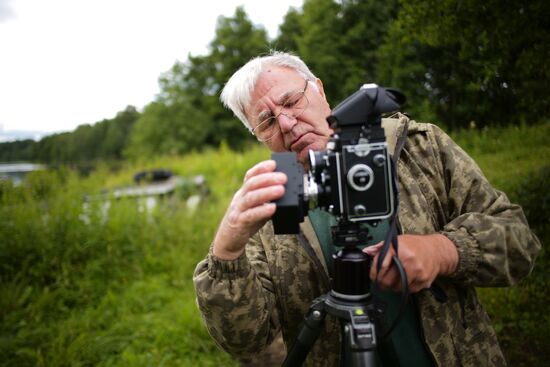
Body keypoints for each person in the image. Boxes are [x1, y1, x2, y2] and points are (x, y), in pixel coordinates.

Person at [193, 51, 541, 366]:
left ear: (318, 90)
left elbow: (520, 241)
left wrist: (444, 251)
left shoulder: (415, 149)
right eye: (267, 121)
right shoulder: (273, 200)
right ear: (258, 135)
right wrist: (227, 249)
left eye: (291, 101)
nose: (286, 124)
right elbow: (246, 340)